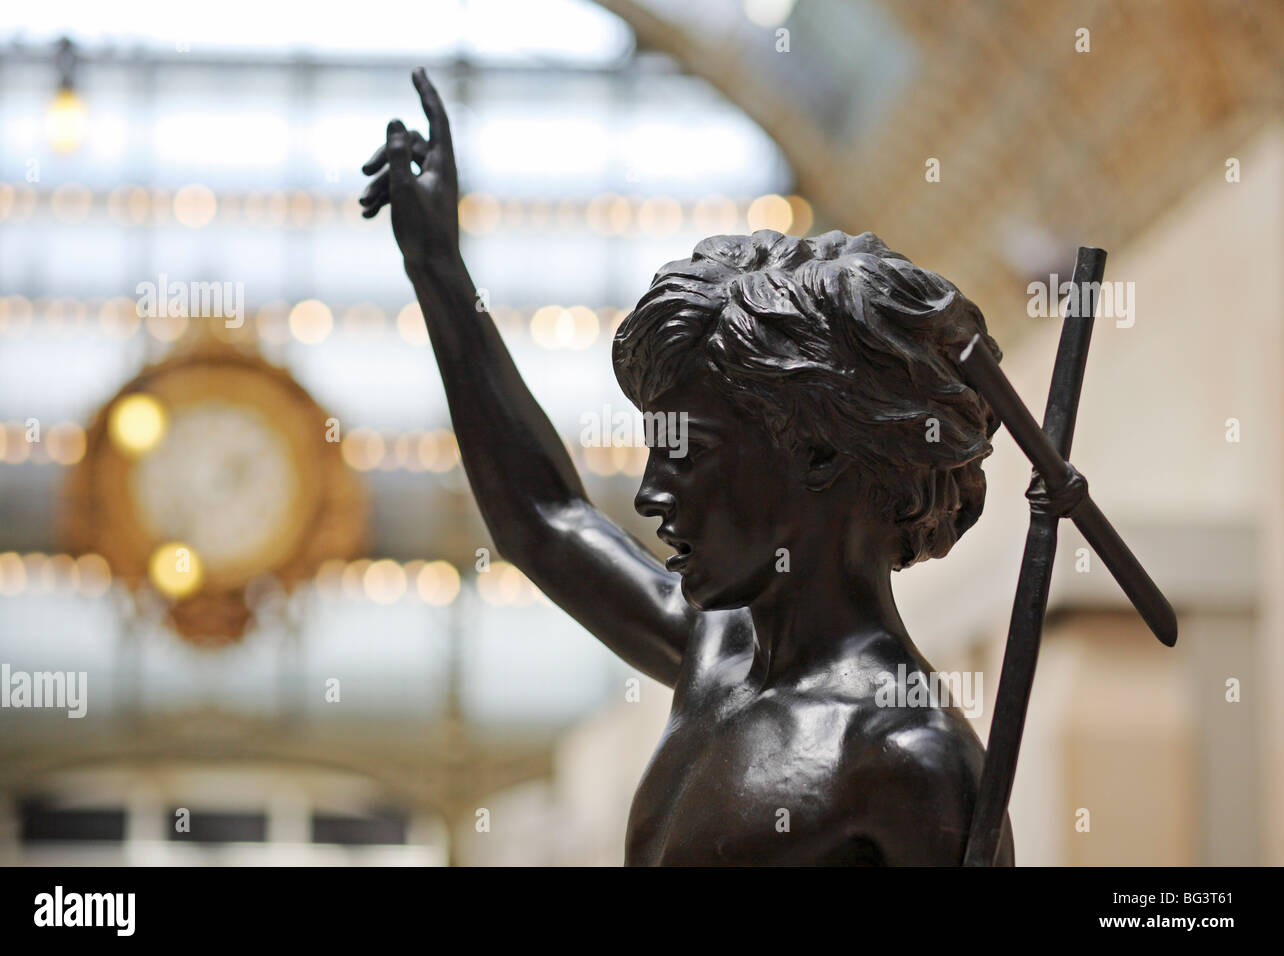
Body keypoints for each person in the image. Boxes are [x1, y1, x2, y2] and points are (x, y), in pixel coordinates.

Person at [360, 69, 1013, 866]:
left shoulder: (909, 760)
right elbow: (547, 521)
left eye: (688, 454)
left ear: (815, 451)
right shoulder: (722, 651)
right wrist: (437, 271)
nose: (651, 495)